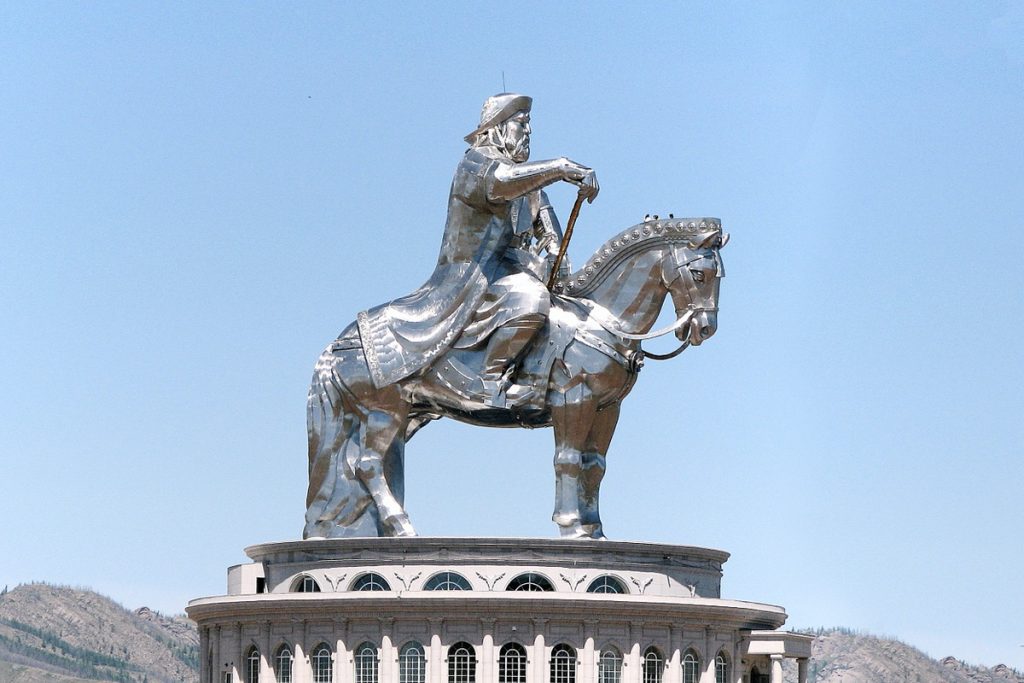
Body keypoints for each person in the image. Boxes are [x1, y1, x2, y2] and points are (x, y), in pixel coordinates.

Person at [357, 93, 598, 406]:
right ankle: (489, 380)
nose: (528, 132)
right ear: (496, 127)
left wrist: (556, 252)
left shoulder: (529, 183)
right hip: (474, 275)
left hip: (513, 269)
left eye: (529, 125)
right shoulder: (476, 163)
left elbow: (547, 227)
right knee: (531, 297)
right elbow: (502, 183)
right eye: (521, 123)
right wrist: (561, 167)